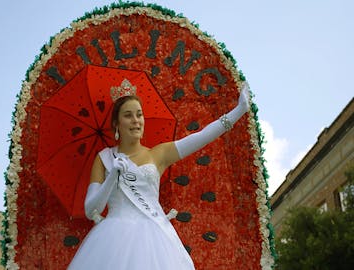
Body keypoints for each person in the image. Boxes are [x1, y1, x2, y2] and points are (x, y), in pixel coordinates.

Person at [67, 78, 250, 270]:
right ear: (116, 124)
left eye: (139, 115)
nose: (136, 120)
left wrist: (239, 110)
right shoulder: (104, 158)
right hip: (112, 238)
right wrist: (113, 176)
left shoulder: (159, 154)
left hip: (155, 238)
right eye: (128, 115)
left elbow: (201, 136)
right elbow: (91, 209)